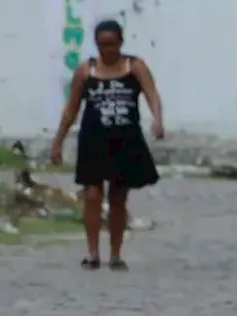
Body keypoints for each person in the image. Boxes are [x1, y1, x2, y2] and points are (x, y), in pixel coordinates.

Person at [49, 18, 163, 270]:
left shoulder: (134, 66)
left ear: (121, 42)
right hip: (94, 142)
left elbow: (152, 94)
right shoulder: (85, 71)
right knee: (92, 195)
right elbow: (71, 109)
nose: (107, 50)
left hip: (126, 140)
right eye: (102, 45)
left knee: (119, 198)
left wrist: (157, 119)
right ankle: (92, 252)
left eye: (112, 44)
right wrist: (58, 141)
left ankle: (115, 253)